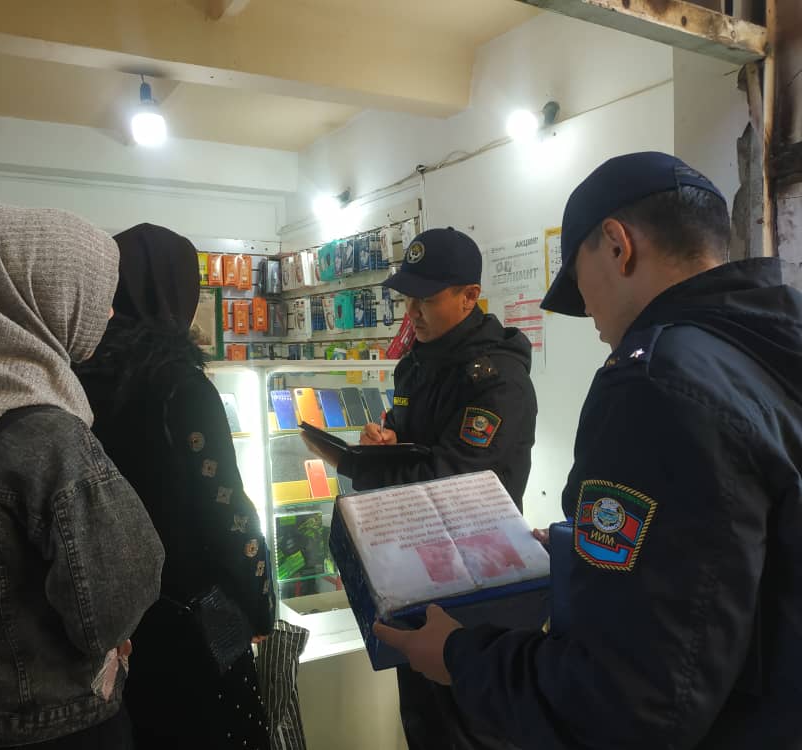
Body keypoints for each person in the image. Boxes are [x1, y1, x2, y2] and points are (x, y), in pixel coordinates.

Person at [375, 152, 802, 749]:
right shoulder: (769, 349)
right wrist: (586, 554)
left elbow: (624, 699)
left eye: (577, 279)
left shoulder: (657, 383)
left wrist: (458, 656)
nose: (588, 311)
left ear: (618, 245)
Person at [0, 200, 164, 749]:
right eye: (93, 293)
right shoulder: (53, 438)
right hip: (59, 724)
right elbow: (113, 603)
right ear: (41, 296)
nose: (109, 312)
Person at [303, 227, 538, 750]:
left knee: (471, 727)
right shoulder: (416, 364)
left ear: (469, 296)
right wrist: (383, 439)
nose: (412, 312)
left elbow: (454, 482)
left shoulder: (495, 380)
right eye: (407, 297)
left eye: (426, 299)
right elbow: (409, 436)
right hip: (414, 564)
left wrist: (364, 468)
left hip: (477, 579)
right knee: (422, 718)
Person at [74, 223, 276, 750]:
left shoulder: (79, 378)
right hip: (191, 623)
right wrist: (259, 601)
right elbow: (227, 511)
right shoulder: (180, 386)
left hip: (111, 626)